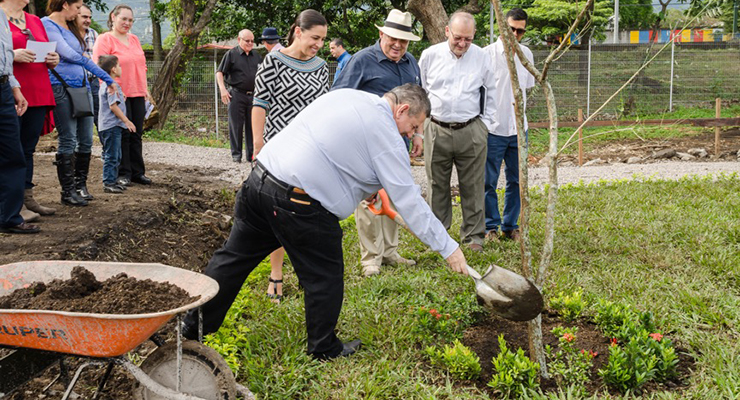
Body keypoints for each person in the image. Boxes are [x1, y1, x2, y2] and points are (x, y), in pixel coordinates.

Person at [181, 84, 469, 360]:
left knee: (233, 258)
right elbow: (409, 200)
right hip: (298, 203)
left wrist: (364, 190)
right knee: (324, 276)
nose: (412, 134)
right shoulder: (387, 133)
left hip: (260, 182)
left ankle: (193, 326)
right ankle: (323, 347)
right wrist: (448, 247)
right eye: (415, 126)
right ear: (402, 109)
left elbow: (330, 146)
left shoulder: (349, 97)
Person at [331, 9, 423, 277]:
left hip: (398, 143)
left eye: (403, 41)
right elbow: (339, 96)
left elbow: (417, 103)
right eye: (393, 38)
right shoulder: (361, 60)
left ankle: (390, 251)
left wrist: (417, 134)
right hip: (366, 144)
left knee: (395, 193)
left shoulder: (410, 63)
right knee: (369, 198)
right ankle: (371, 257)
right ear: (381, 34)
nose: (397, 44)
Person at [251, 9, 329, 303]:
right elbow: (259, 104)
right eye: (314, 37)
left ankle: (309, 273)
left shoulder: (321, 66)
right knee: (278, 213)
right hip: (277, 149)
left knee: (307, 213)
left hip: (310, 151)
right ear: (298, 31)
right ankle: (276, 275)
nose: (319, 44)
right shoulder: (274, 60)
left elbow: (323, 111)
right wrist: (258, 145)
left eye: (322, 39)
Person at [419, 11, 498, 252]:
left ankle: (474, 238)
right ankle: (438, 237)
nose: (462, 44)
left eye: (468, 39)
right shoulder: (429, 56)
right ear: (446, 32)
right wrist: (423, 127)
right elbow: (421, 91)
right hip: (436, 128)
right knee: (436, 186)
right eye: (458, 38)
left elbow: (492, 91)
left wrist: (486, 125)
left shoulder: (482, 57)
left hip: (471, 129)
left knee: (473, 185)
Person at [43, 0, 117, 206]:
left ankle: (80, 186)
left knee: (85, 138)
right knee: (68, 138)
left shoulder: (71, 26)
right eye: (77, 7)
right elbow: (71, 54)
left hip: (82, 87)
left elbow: (81, 55)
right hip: (61, 86)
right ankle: (67, 192)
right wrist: (107, 77)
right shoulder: (47, 25)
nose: (79, 12)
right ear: (65, 4)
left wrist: (95, 71)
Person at [3, 0, 59, 220]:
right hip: (13, 89)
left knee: (27, 148)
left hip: (38, 89)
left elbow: (44, 49)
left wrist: (53, 60)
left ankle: (27, 198)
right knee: (10, 149)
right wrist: (13, 54)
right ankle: (12, 205)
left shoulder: (34, 20)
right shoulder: (0, 18)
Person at [484, 8, 535, 241]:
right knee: (488, 181)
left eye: (520, 31)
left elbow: (528, 87)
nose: (515, 34)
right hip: (493, 128)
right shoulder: (486, 55)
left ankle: (510, 225)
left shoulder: (526, 55)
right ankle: (490, 226)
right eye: (511, 28)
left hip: (518, 129)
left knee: (517, 180)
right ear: (502, 27)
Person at [92, 4, 152, 187]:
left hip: (137, 92)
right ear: (113, 17)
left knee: (136, 134)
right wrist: (110, 89)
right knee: (123, 133)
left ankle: (137, 172)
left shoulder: (134, 39)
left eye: (130, 20)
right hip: (119, 94)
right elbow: (99, 67)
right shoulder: (105, 39)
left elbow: (141, 66)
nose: (127, 23)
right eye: (124, 19)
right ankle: (123, 172)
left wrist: (146, 90)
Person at [0, 6, 38, 233]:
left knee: (12, 153)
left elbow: (4, 54)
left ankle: (9, 218)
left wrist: (14, 87)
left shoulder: (1, 16)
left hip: (3, 88)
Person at [216, 29, 261, 163]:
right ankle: (236, 155)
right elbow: (219, 72)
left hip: (253, 95)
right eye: (247, 41)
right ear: (239, 39)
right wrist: (223, 89)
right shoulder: (231, 54)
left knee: (252, 126)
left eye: (252, 41)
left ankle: (251, 155)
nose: (250, 43)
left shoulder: (257, 56)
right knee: (236, 125)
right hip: (236, 94)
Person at [97, 55, 136, 194]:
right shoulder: (111, 85)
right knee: (112, 156)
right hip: (111, 126)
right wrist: (126, 120)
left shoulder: (108, 84)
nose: (120, 68)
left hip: (111, 126)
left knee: (116, 155)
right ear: (113, 69)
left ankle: (112, 181)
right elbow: (113, 106)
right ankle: (108, 182)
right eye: (119, 65)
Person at [77, 3, 99, 130]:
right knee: (81, 119)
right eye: (85, 17)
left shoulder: (93, 34)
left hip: (94, 81)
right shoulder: (68, 33)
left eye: (90, 17)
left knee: (100, 116)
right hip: (77, 84)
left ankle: (107, 149)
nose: (88, 20)